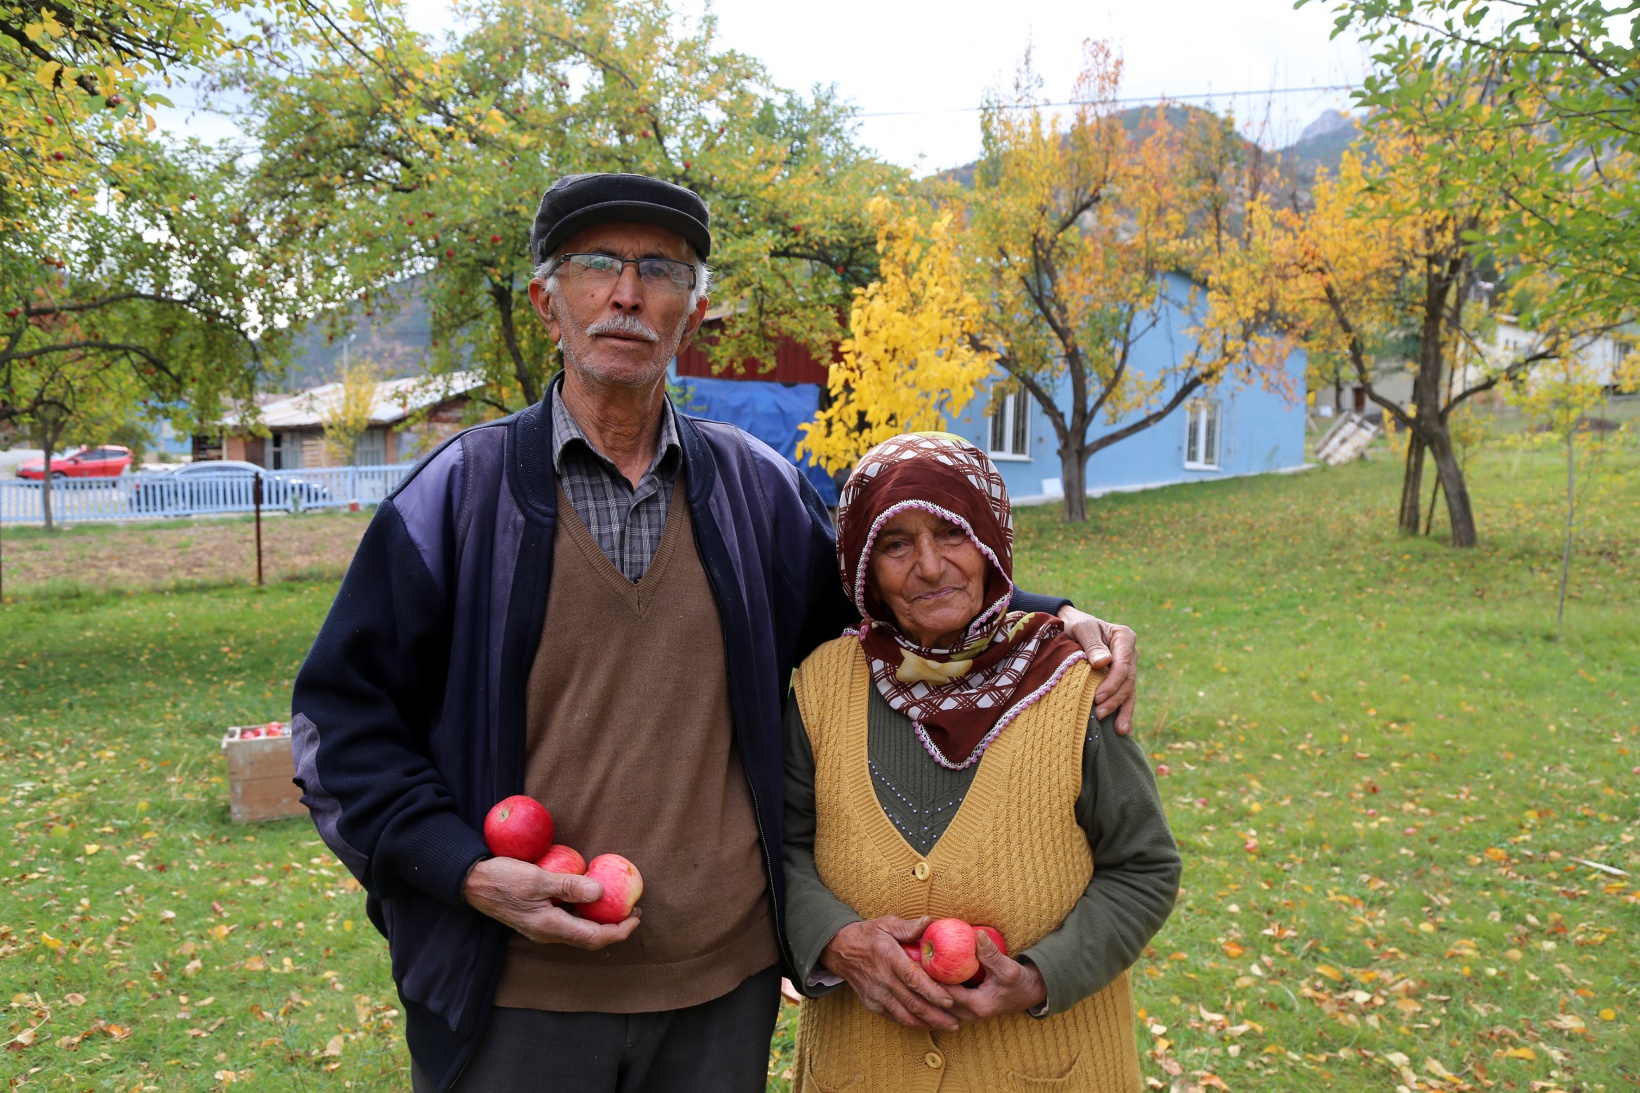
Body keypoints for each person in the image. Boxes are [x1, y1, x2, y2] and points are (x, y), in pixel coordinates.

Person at [289, 172, 1141, 1093]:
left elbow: (886, 607)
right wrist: (466, 871)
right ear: (548, 302)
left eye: (660, 270)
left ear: (689, 317)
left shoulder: (755, 494)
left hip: (718, 999)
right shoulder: (458, 498)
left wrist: (1044, 617)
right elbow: (339, 729)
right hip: (513, 998)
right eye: (597, 264)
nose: (627, 292)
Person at [783, 432, 1181, 1091]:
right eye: (896, 543)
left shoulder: (1077, 681)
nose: (931, 566)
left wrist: (1040, 975)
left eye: (952, 532)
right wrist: (833, 939)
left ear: (991, 540)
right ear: (862, 566)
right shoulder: (822, 685)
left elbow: (1144, 867)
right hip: (862, 1067)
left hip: (1049, 1068)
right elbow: (784, 848)